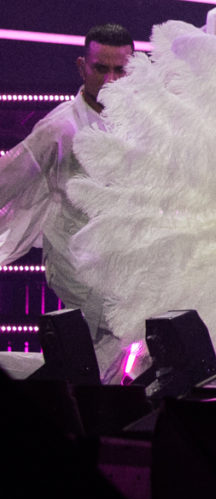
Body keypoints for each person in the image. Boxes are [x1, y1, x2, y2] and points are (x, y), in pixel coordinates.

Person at [0, 24, 141, 379]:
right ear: (82, 67)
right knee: (119, 335)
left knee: (111, 358)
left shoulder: (144, 121)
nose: (110, 80)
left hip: (127, 257)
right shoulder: (61, 127)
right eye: (100, 68)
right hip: (76, 258)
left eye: (119, 69)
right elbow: (8, 176)